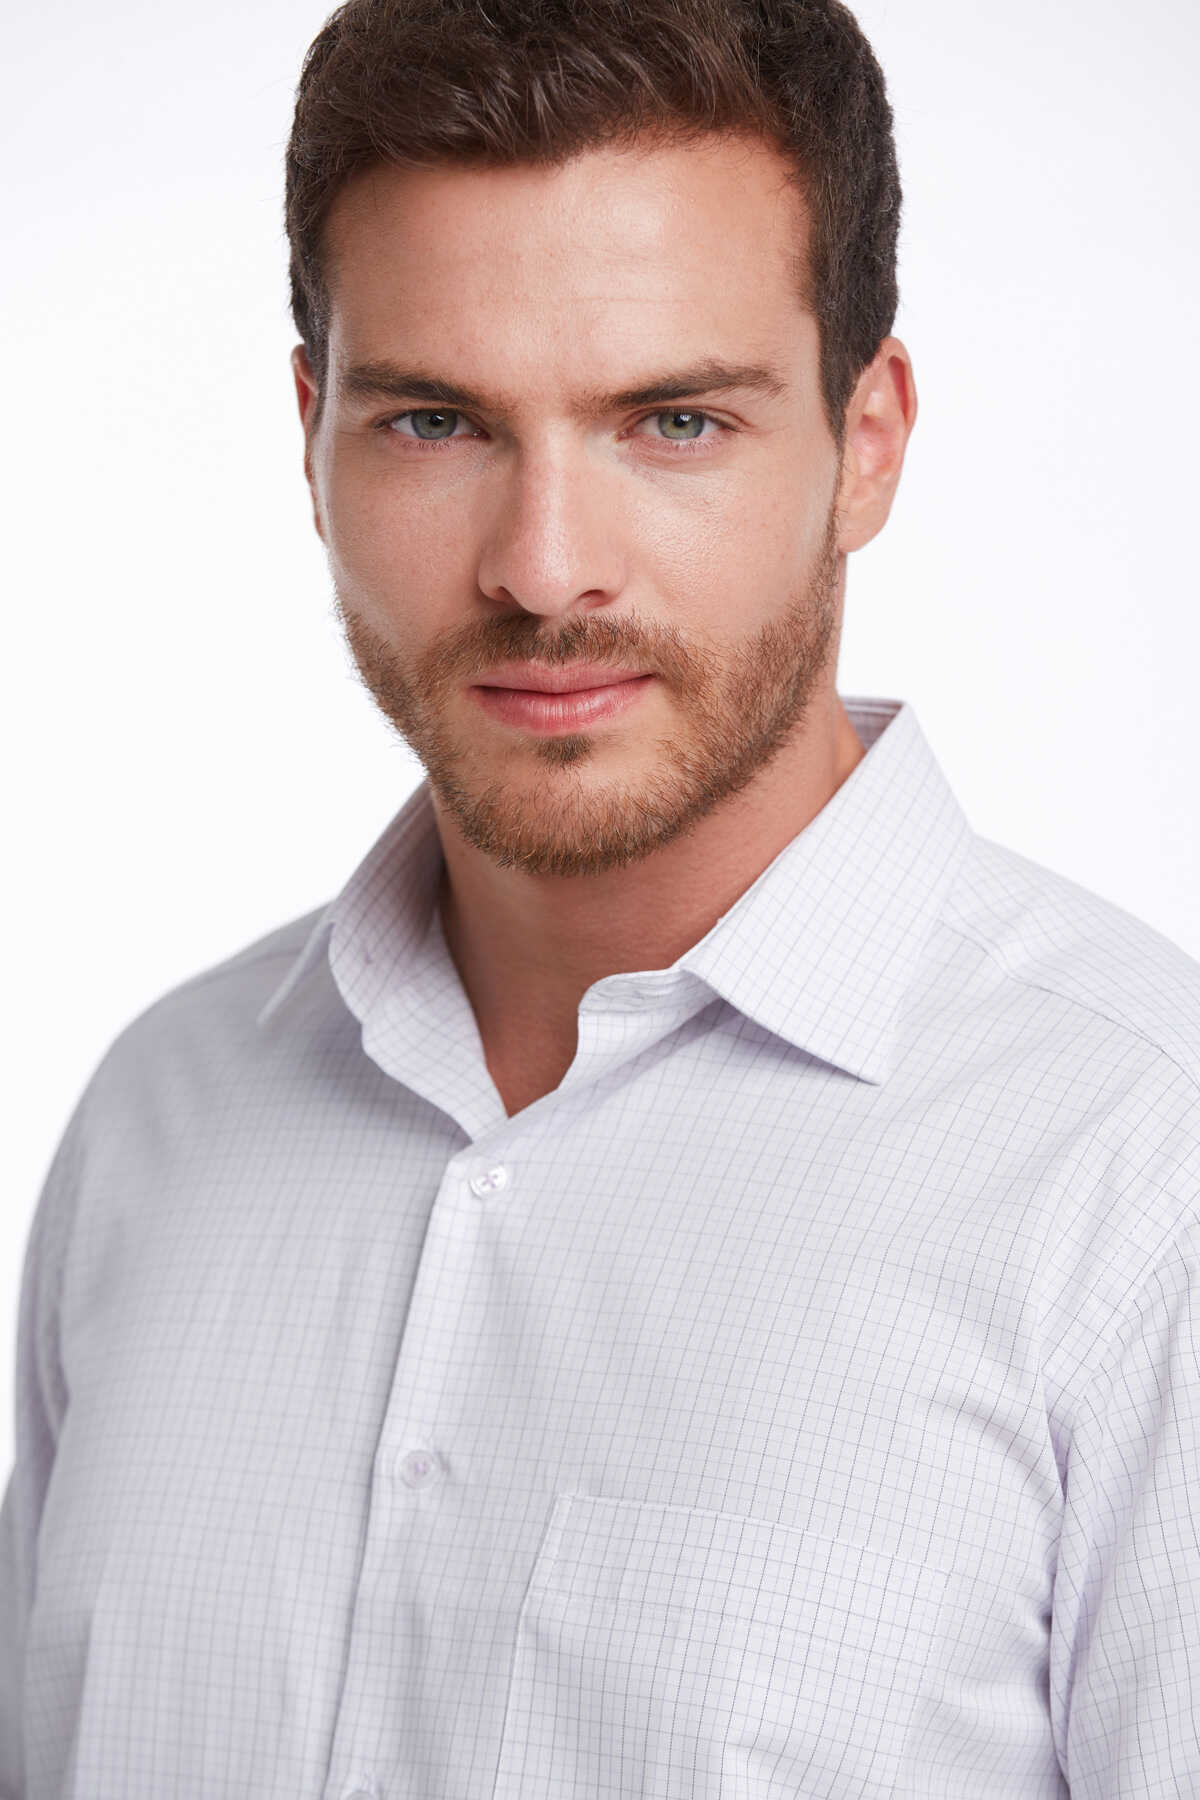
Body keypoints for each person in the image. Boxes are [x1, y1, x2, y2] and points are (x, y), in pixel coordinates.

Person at [2, 0, 1199, 1792]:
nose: (545, 568)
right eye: (435, 423)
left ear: (868, 439)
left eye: (674, 421)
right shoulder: (163, 1123)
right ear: (314, 436)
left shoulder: (1145, 1180)